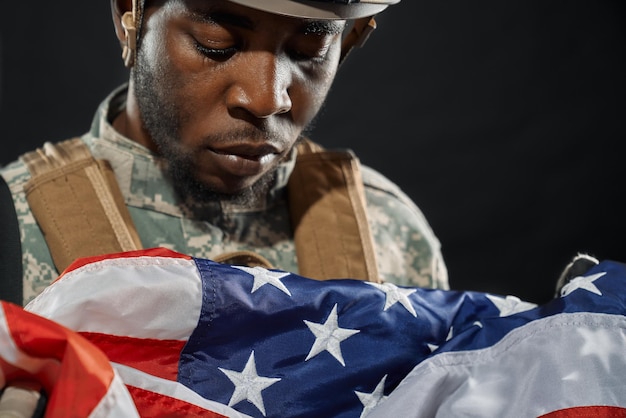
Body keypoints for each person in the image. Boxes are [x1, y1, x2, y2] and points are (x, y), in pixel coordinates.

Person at [0, 0, 448, 307]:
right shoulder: (15, 231)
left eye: (310, 48)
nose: (268, 98)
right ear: (128, 15)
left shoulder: (387, 235)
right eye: (217, 41)